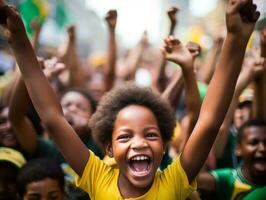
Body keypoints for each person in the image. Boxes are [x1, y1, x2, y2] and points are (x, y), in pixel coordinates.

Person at [0, 0, 259, 199]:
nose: (139, 143)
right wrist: (20, 42)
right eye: (125, 136)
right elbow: (53, 119)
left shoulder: (174, 182)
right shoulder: (97, 176)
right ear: (109, 149)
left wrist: (236, 40)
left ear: (164, 143)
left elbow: (209, 122)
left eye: (150, 135)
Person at [197, 119, 266, 199]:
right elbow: (194, 181)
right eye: (253, 143)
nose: (262, 148)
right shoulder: (228, 179)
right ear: (238, 149)